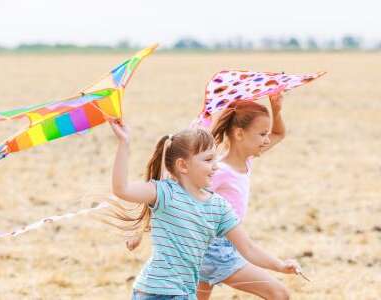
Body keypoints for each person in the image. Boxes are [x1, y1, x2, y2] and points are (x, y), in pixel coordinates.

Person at [108, 118, 300, 299]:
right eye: (208, 160)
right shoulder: (165, 193)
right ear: (183, 165)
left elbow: (248, 248)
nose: (216, 167)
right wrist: (123, 143)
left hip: (184, 293)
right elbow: (121, 189)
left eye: (215, 159)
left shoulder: (218, 206)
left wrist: (280, 266)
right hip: (153, 291)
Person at [197, 94, 292, 300]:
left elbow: (279, 133)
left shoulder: (246, 159)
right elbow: (184, 197)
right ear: (239, 134)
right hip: (214, 249)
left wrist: (276, 109)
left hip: (218, 245)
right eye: (261, 134)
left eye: (266, 134)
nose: (267, 140)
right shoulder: (220, 170)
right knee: (279, 294)